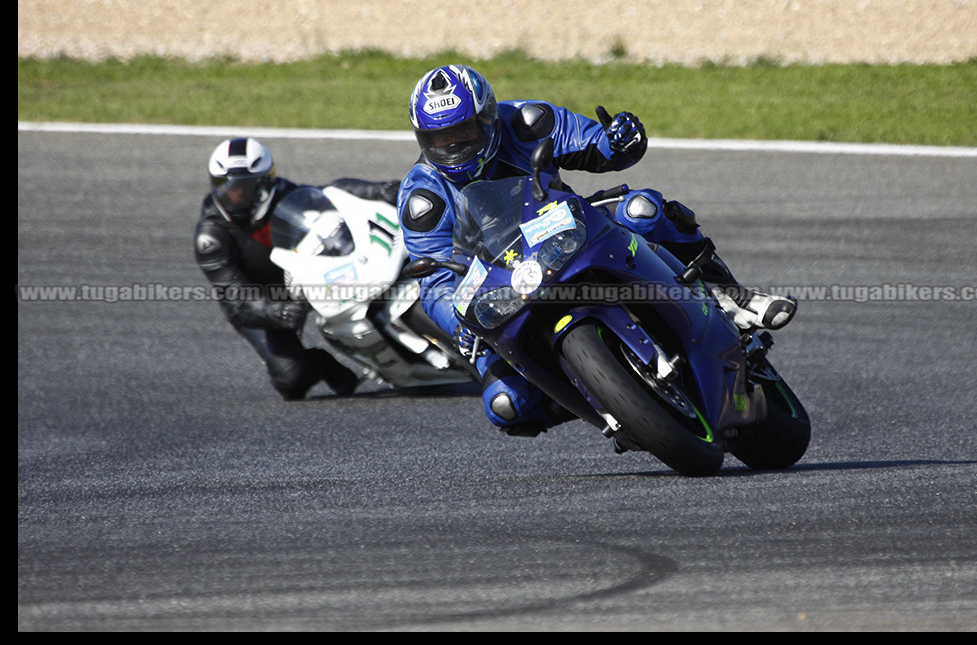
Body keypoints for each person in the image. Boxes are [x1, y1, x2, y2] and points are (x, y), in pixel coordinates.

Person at [397, 64, 797, 436]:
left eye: (463, 132)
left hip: (567, 230)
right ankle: (608, 398)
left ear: (486, 118)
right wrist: (460, 324)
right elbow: (434, 283)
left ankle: (730, 294)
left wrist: (619, 140)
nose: (452, 145)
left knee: (643, 209)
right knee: (505, 406)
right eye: (438, 138)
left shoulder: (526, 121)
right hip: (501, 284)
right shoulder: (422, 198)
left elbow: (595, 146)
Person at [194, 137, 396, 401]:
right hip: (260, 301)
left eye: (244, 188)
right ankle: (326, 364)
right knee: (291, 378)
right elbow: (236, 300)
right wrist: (277, 311)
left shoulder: (282, 195)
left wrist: (380, 191)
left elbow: (331, 194)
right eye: (225, 187)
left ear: (265, 184)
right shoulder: (211, 238)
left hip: (306, 277)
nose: (234, 196)